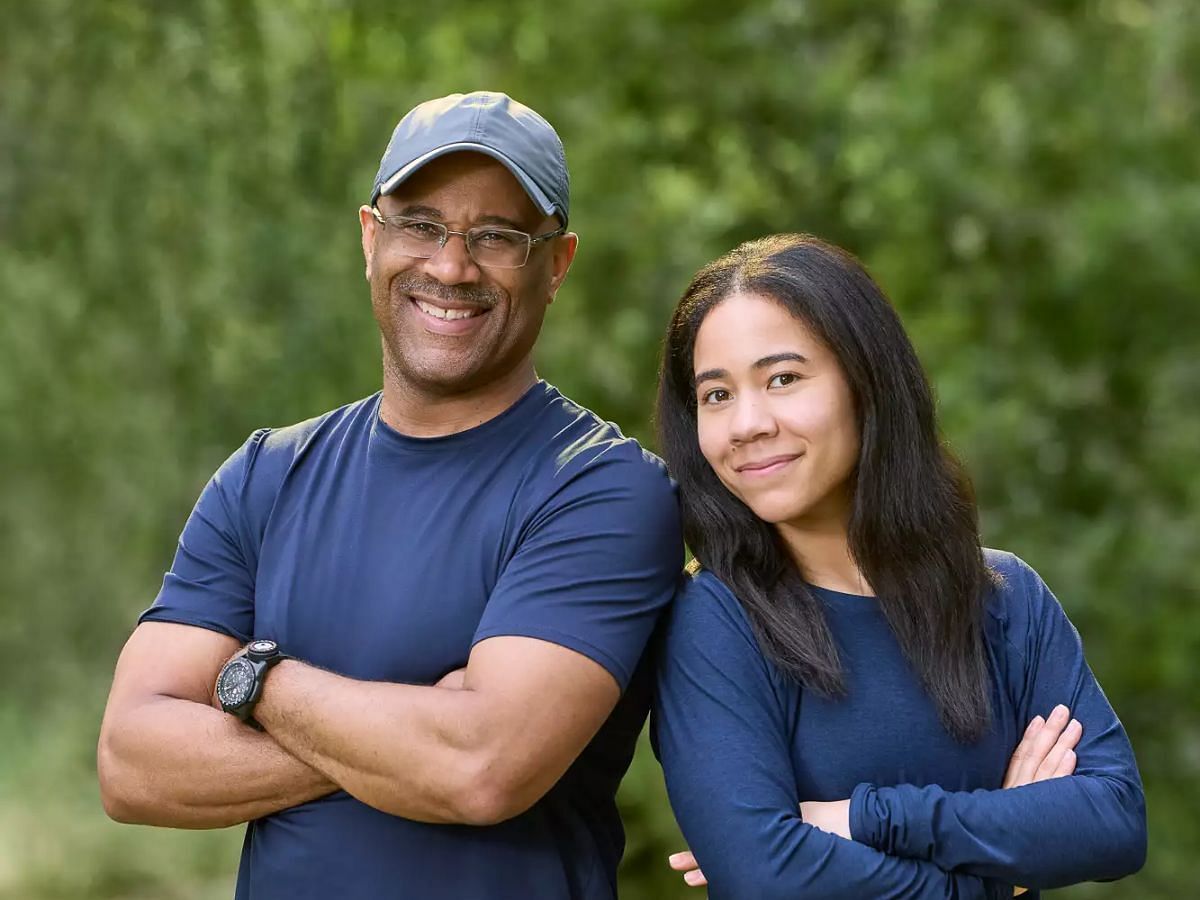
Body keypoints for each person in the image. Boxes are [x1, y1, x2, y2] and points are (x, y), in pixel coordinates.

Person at [97, 91, 682, 900]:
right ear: (371, 238)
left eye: (498, 237)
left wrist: (257, 682)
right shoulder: (266, 476)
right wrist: (410, 733)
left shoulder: (601, 488)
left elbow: (480, 769)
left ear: (557, 264)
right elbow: (130, 762)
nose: (451, 266)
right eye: (421, 225)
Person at [652, 233, 1147, 899]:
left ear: (867, 382)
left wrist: (863, 818)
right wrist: (1001, 874)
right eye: (716, 395)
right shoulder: (714, 620)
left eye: (783, 379)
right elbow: (765, 877)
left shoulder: (1004, 600)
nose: (747, 423)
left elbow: (1113, 820)